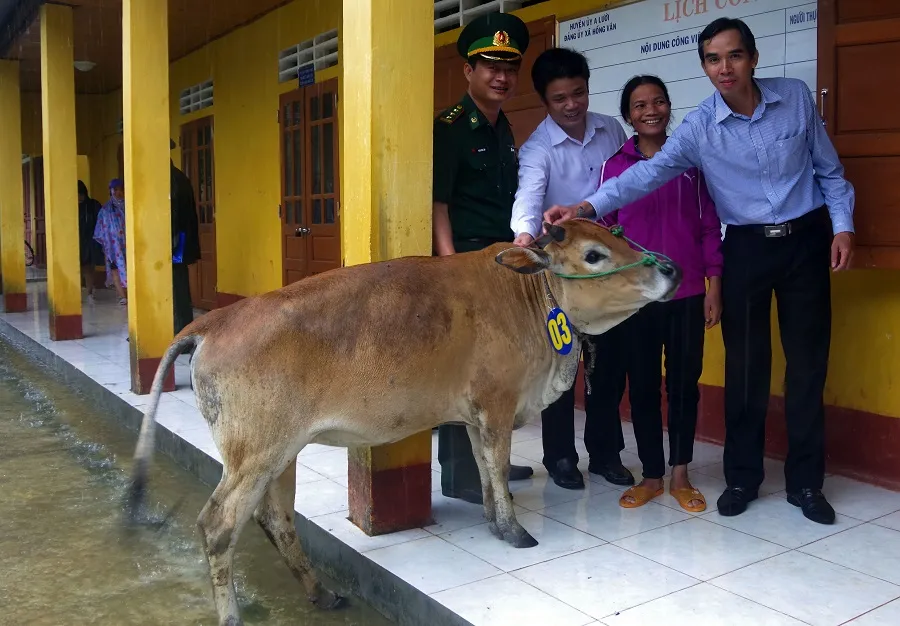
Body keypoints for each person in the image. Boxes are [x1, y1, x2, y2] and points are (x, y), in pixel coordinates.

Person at [544, 17, 854, 525]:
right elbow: (642, 176)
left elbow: (829, 170)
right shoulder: (698, 128)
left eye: (733, 56)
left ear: (753, 58)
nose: (724, 67)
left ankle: (805, 483)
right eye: (713, 59)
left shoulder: (796, 98)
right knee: (746, 370)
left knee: (807, 367)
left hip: (805, 243)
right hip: (747, 251)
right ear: (704, 67)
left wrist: (841, 227)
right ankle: (743, 479)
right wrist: (584, 208)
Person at [595, 75, 723, 512]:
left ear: (669, 106)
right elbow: (607, 236)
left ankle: (681, 474)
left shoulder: (691, 162)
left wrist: (714, 285)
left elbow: (709, 227)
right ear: (628, 115)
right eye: (639, 105)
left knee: (685, 385)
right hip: (638, 297)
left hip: (687, 293)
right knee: (644, 387)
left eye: (659, 101)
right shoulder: (615, 167)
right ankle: (652, 474)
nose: (650, 110)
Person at [509, 47, 633, 491]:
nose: (572, 104)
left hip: (606, 269)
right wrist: (524, 234)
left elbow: (628, 181)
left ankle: (605, 454)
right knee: (560, 364)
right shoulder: (539, 147)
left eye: (578, 93)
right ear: (545, 101)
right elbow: (529, 193)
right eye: (560, 98)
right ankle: (560, 457)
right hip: (559, 276)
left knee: (608, 366)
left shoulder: (611, 129)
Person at [432, 11, 534, 504]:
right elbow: (439, 202)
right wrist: (451, 266)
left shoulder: (504, 127)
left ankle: (495, 460)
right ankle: (460, 475)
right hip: (466, 266)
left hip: (504, 267)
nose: (501, 76)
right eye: (489, 65)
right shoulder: (450, 128)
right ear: (468, 70)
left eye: (509, 67)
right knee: (462, 367)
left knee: (497, 367)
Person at [169, 139, 201, 335]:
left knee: (177, 284)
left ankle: (181, 331)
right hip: (175, 238)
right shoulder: (171, 177)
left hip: (175, 240)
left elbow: (174, 216)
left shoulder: (174, 179)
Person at [93, 178, 128, 305]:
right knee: (115, 268)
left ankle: (128, 293)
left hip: (128, 244)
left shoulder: (129, 206)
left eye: (121, 190)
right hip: (113, 246)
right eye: (116, 190)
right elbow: (101, 229)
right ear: (111, 191)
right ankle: (121, 295)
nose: (119, 193)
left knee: (129, 267)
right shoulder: (106, 210)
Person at [77, 180, 103, 303]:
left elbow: (101, 221)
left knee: (88, 268)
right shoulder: (70, 207)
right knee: (77, 268)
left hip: (90, 241)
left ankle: (89, 292)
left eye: (80, 194)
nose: (79, 197)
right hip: (76, 240)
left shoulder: (93, 205)